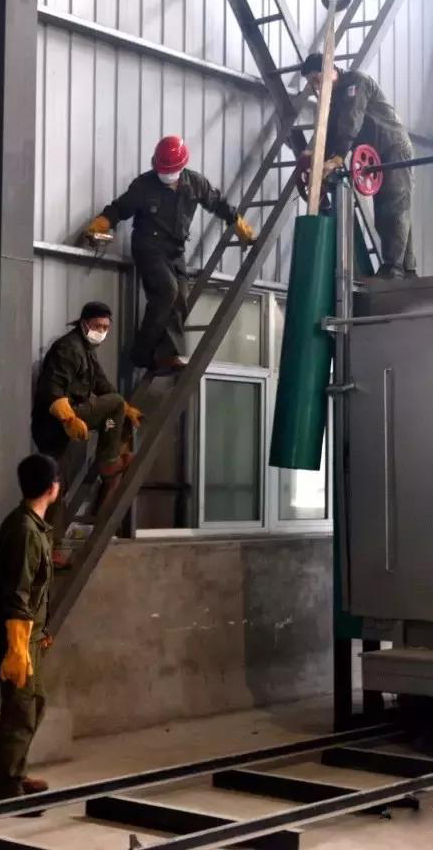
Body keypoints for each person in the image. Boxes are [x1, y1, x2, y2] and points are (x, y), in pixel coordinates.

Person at [84, 135, 256, 370]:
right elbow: (119, 209)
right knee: (167, 291)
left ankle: (167, 354)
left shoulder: (196, 183)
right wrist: (99, 225)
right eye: (162, 170)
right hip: (148, 246)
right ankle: (142, 352)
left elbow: (218, 204)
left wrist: (239, 225)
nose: (165, 174)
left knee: (181, 297)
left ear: (182, 165)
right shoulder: (144, 185)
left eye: (170, 170)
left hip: (175, 249)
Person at [32, 301, 141, 557]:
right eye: (97, 326)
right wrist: (69, 418)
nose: (101, 331)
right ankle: (108, 462)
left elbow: (102, 385)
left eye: (105, 328)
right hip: (57, 421)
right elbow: (52, 389)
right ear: (84, 323)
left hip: (67, 421)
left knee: (57, 485)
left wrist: (127, 410)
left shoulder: (87, 350)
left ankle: (54, 548)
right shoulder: (68, 348)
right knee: (114, 405)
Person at [300, 52, 417, 279]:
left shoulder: (356, 83)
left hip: (393, 148)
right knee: (391, 208)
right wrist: (313, 155)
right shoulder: (334, 99)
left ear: (331, 69)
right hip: (376, 156)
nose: (315, 87)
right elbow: (330, 132)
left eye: (316, 79)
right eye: (311, 83)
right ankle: (407, 270)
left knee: (394, 206)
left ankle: (393, 269)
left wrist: (337, 158)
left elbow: (350, 121)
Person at [0, 454, 59, 801]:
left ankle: (15, 772)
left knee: (35, 703)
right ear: (52, 488)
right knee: (20, 711)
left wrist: (40, 634)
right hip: (16, 637)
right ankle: (6, 789)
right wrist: (17, 648)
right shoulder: (26, 531)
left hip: (29, 635)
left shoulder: (32, 526)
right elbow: (18, 593)